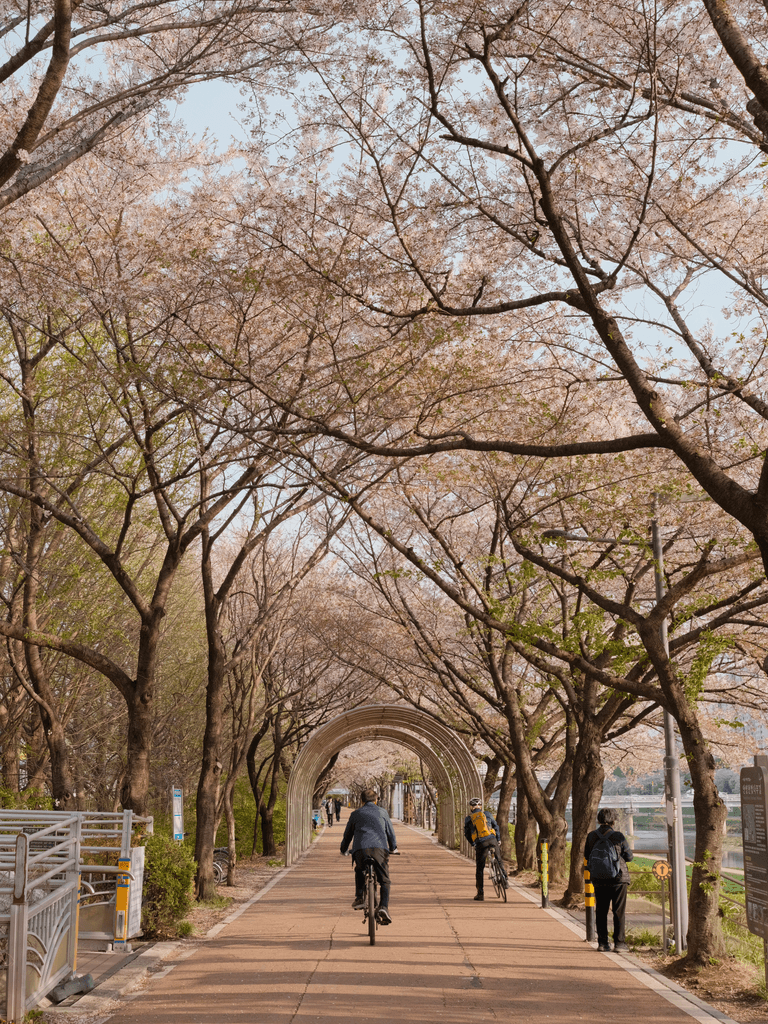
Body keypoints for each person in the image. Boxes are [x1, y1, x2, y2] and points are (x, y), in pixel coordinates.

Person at [339, 788, 398, 925]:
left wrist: (344, 849)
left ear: (362, 800)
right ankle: (383, 907)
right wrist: (393, 847)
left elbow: (348, 834)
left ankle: (359, 897)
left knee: (359, 869)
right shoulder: (383, 812)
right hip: (379, 850)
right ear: (376, 800)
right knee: (384, 880)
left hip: (360, 849)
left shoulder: (356, 814)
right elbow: (390, 833)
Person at [584, 808, 633, 952]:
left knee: (601, 910)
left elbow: (587, 856)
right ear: (613, 820)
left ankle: (603, 943)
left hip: (599, 878)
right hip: (618, 878)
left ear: (599, 820)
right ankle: (619, 944)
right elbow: (629, 857)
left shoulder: (591, 836)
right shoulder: (618, 836)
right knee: (618, 911)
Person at [463, 797, 508, 901]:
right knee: (499, 859)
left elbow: (467, 834)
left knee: (480, 868)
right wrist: (498, 839)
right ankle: (505, 879)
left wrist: (473, 843)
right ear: (481, 806)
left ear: (471, 807)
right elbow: (495, 826)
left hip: (481, 843)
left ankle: (480, 893)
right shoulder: (487, 814)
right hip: (492, 840)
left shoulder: (469, 818)